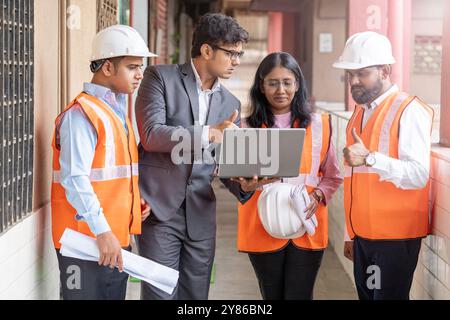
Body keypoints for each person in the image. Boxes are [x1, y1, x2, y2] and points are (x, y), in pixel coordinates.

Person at [135, 13, 252, 300]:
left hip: (201, 215)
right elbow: (152, 135)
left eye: (240, 54)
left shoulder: (230, 103)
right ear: (207, 50)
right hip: (159, 211)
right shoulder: (160, 77)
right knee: (160, 294)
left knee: (196, 298)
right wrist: (209, 133)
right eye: (231, 53)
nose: (237, 60)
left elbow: (224, 165)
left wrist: (246, 184)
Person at [51, 25, 154, 300]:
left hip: (111, 240)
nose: (140, 74)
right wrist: (103, 232)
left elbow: (114, 175)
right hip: (85, 242)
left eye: (140, 66)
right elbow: (75, 179)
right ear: (108, 68)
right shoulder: (81, 115)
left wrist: (134, 203)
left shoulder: (116, 112)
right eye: (132, 67)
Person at [333, 31, 434, 300]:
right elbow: (354, 179)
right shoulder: (359, 112)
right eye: (349, 74)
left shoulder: (409, 110)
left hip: (394, 238)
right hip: (364, 236)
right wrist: (350, 233)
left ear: (386, 70)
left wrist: (371, 158)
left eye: (362, 73)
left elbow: (418, 175)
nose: (353, 81)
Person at [236, 52, 343, 300]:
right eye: (272, 82)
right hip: (263, 223)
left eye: (287, 82)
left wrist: (317, 195)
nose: (280, 89)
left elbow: (333, 176)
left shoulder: (319, 124)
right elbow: (236, 181)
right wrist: (245, 185)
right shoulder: (245, 127)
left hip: (306, 225)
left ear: (297, 84)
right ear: (261, 86)